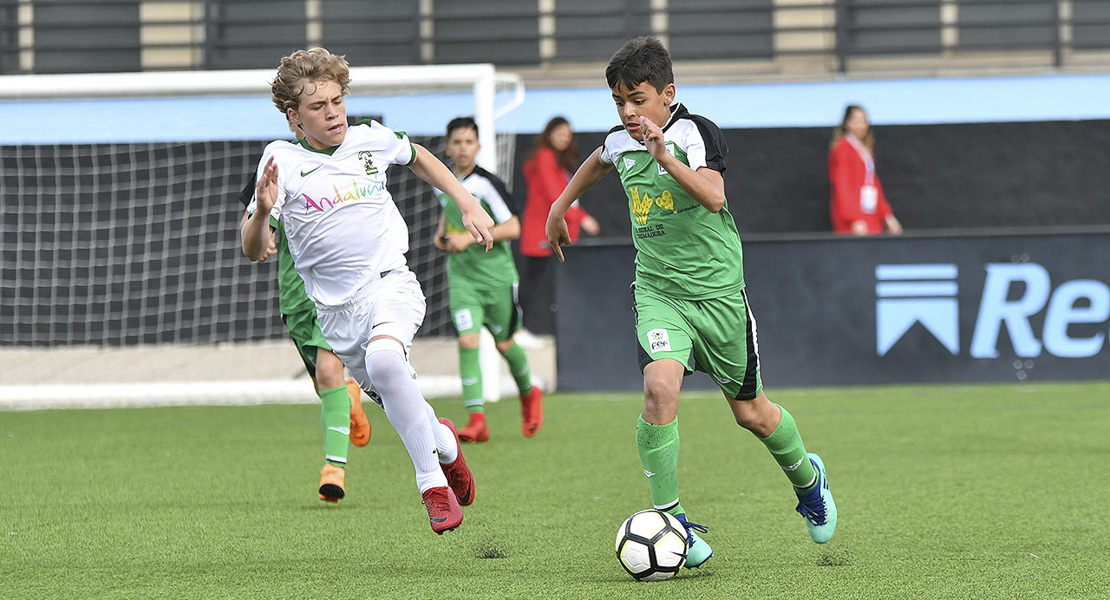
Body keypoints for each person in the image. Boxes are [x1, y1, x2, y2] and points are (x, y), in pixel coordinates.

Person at [545, 36, 838, 567]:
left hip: (720, 296)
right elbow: (597, 160)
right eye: (619, 102)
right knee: (659, 387)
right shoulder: (620, 139)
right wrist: (559, 206)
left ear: (667, 94)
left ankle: (808, 481)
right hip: (660, 294)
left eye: (637, 99)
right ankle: (671, 518)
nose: (628, 112)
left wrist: (664, 157)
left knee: (752, 414)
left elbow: (713, 195)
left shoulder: (694, 133)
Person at [243, 47, 494, 534]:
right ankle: (445, 445)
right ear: (295, 117)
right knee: (404, 403)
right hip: (338, 318)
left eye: (337, 100)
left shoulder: (369, 139)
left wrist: (463, 200)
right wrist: (260, 210)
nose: (333, 112)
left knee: (385, 362)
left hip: (391, 286)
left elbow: (418, 156)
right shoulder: (280, 160)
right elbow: (255, 249)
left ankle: (431, 486)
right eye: (318, 107)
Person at [238, 119, 371, 504]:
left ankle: (334, 470)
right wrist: (260, 234)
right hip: (296, 293)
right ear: (294, 117)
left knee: (329, 371)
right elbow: (252, 218)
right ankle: (349, 399)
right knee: (324, 381)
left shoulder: (348, 159)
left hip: (335, 288)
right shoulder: (279, 162)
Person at [433, 116, 544, 443]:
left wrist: (469, 239)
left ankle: (528, 393)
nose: (463, 148)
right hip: (463, 280)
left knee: (504, 343)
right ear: (447, 147)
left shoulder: (487, 183)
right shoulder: (445, 181)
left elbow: (513, 227)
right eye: (457, 142)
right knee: (468, 341)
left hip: (496, 278)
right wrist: (443, 237)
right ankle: (477, 419)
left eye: (469, 142)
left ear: (478, 147)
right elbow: (449, 217)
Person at [518, 117, 599, 336]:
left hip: (552, 229)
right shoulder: (544, 156)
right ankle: (524, 329)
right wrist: (582, 218)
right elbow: (557, 197)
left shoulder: (556, 158)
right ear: (549, 133)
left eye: (568, 134)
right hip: (543, 231)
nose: (564, 138)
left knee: (547, 281)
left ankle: (535, 329)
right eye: (560, 133)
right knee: (538, 281)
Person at [828, 104, 903, 236]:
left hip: (869, 211)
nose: (861, 126)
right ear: (846, 123)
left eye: (863, 121)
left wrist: (887, 215)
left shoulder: (864, 150)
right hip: (853, 216)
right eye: (856, 121)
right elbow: (842, 185)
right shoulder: (843, 149)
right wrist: (853, 218)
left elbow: (873, 183)